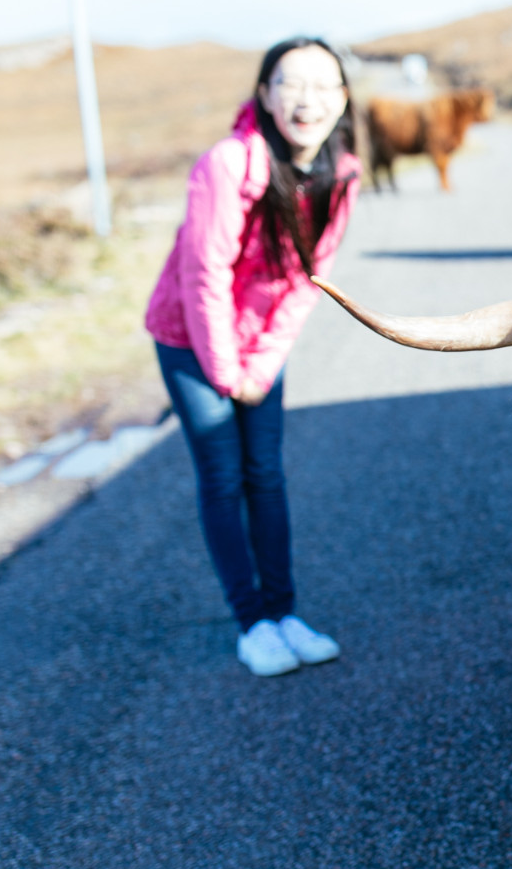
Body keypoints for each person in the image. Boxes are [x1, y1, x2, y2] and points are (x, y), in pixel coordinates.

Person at [144, 37, 363, 676]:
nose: (307, 100)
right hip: (191, 339)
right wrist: (227, 372)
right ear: (265, 94)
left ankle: (285, 613)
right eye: (290, 84)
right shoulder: (228, 163)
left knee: (266, 473)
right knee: (223, 475)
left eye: (323, 86)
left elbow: (309, 277)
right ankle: (253, 626)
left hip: (258, 345)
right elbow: (204, 273)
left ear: (343, 99)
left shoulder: (340, 172)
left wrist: (263, 363)